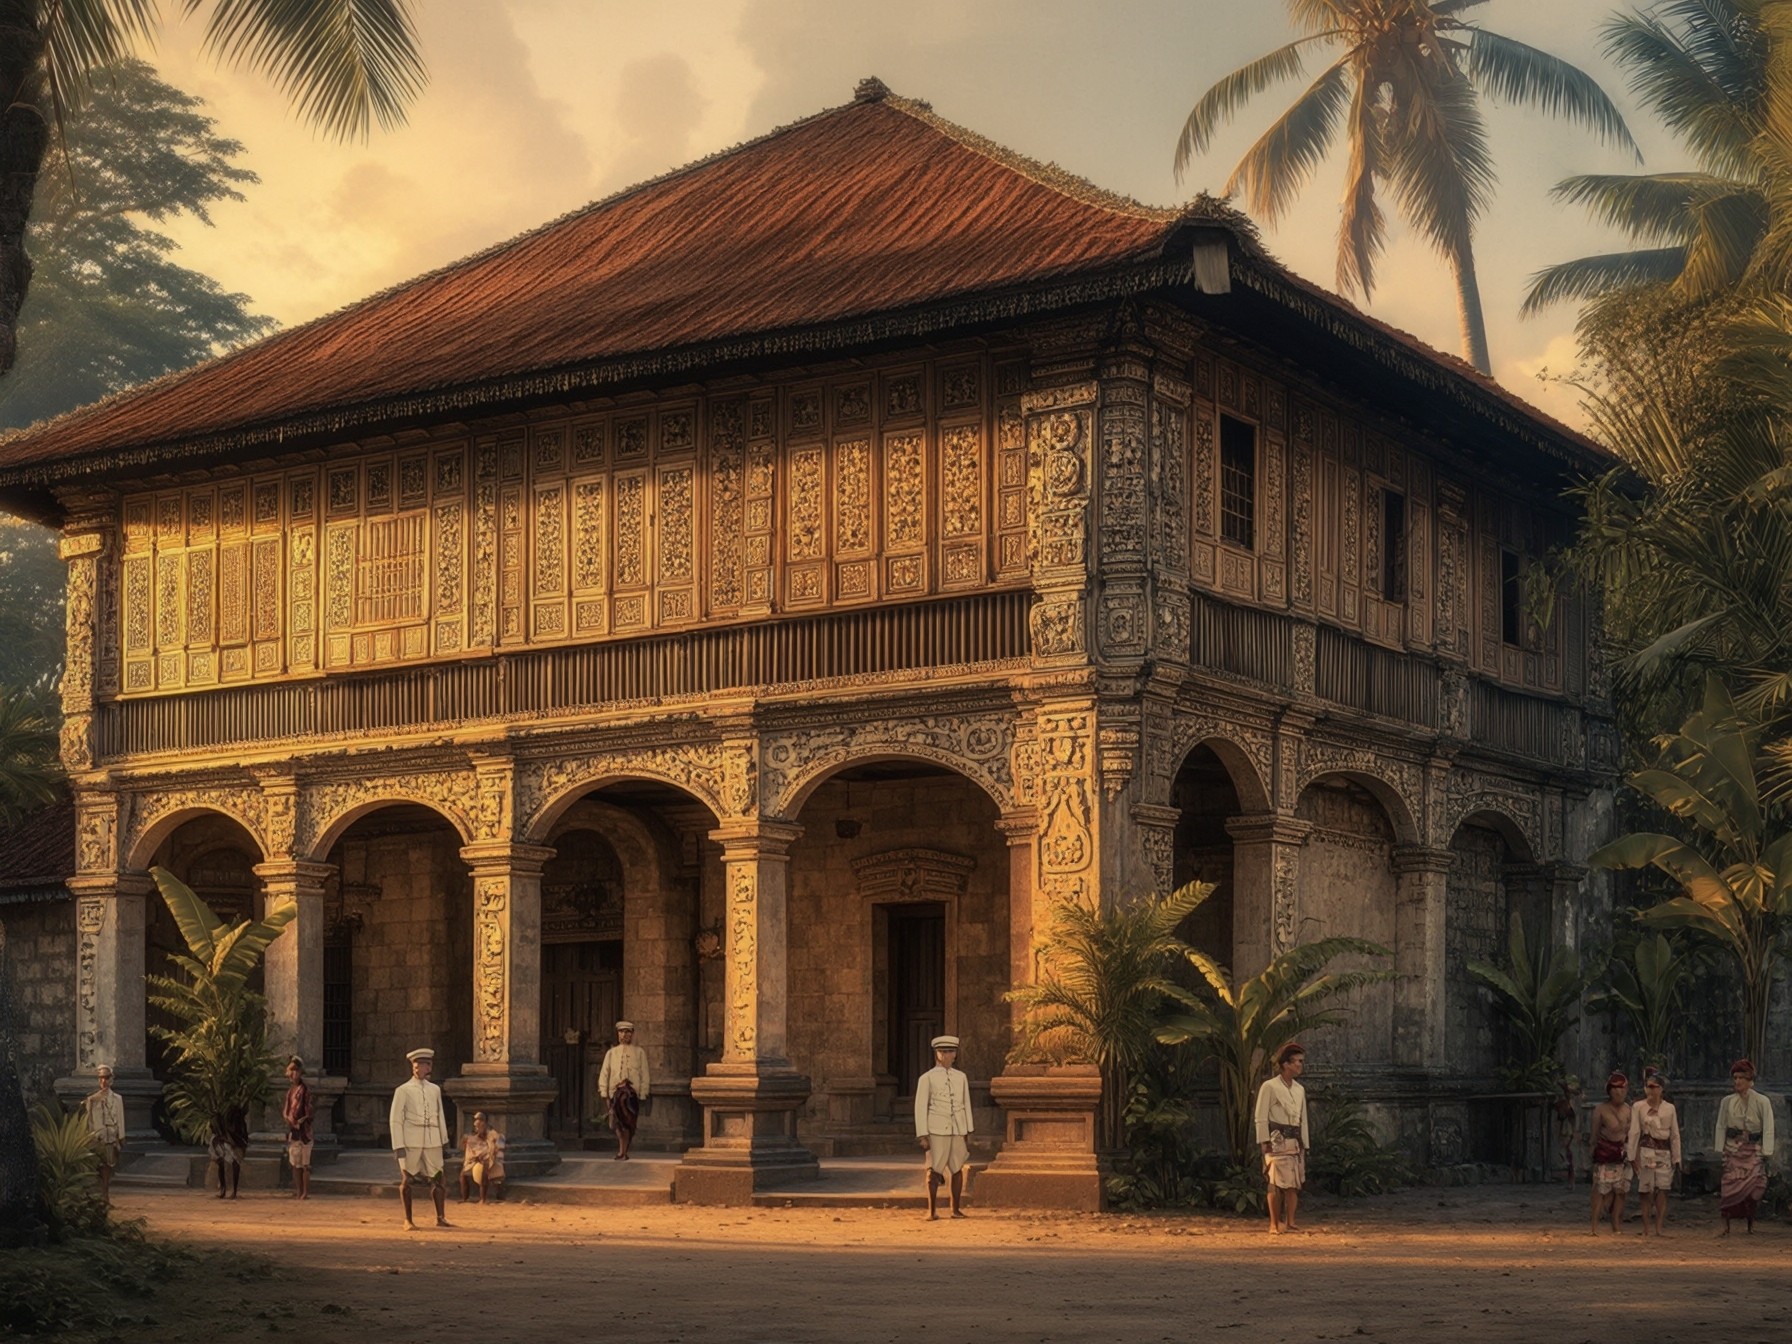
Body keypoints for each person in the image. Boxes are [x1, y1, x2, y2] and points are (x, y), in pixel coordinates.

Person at [390, 1046, 451, 1230]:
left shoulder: (434, 1090)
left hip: (432, 1140)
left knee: (438, 1178)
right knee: (407, 1179)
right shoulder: (403, 1090)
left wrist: (444, 1142)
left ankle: (440, 1217)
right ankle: (408, 1220)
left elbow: (440, 1115)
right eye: (421, 1064)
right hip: (411, 1141)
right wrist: (398, 1145)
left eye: (426, 1064)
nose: (424, 1068)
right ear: (414, 1067)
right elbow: (396, 1119)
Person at [914, 1033, 973, 1220]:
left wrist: (967, 1129)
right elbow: (920, 1107)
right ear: (937, 1054)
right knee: (933, 1170)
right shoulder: (927, 1078)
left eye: (951, 1051)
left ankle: (955, 1209)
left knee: (957, 1169)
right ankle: (931, 1211)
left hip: (957, 1127)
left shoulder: (961, 1077)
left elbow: (966, 1103)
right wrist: (923, 1134)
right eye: (944, 1051)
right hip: (936, 1128)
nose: (948, 1055)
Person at [1715, 1058, 1775, 1235]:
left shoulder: (1762, 1101)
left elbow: (1768, 1126)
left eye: (1741, 1078)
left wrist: (1766, 1151)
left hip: (1753, 1150)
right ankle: (1726, 1225)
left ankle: (1750, 1223)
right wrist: (1721, 1150)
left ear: (1749, 1080)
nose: (1738, 1081)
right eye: (1735, 1078)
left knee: (1754, 1188)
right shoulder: (1727, 1101)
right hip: (1733, 1149)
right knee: (1729, 1186)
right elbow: (1721, 1125)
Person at [1254, 1042, 1309, 1235]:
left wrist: (1304, 1143)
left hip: (1294, 1139)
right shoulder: (1269, 1086)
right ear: (1286, 1064)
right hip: (1276, 1139)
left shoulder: (1299, 1089)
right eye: (1297, 1062)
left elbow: (1303, 1119)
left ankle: (1291, 1221)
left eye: (1301, 1061)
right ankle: (1274, 1223)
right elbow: (1261, 1116)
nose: (1300, 1065)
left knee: (1293, 1183)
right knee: (1275, 1181)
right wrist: (1263, 1141)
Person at [1626, 1068, 1681, 1236]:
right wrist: (1631, 1155)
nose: (1651, 1090)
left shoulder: (1669, 1108)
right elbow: (1634, 1131)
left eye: (1654, 1086)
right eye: (1648, 1086)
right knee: (1646, 1190)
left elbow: (1674, 1134)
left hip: (1663, 1151)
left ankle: (1658, 1227)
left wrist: (1676, 1157)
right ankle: (1646, 1228)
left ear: (1661, 1089)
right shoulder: (1638, 1107)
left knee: (1663, 1189)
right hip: (1646, 1150)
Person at [597, 1021, 651, 1161]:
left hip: (631, 1093)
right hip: (615, 1092)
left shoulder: (639, 1052)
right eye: (621, 1032)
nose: (624, 1035)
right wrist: (604, 1091)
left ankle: (623, 1151)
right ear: (618, 1034)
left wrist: (643, 1092)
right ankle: (622, 1148)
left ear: (632, 1034)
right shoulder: (611, 1053)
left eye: (627, 1032)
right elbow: (605, 1072)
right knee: (615, 1122)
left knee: (628, 1122)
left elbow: (644, 1073)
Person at [1589, 1070, 1632, 1234]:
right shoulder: (1601, 1109)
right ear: (1609, 1090)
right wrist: (1592, 1151)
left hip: (1622, 1155)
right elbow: (1594, 1133)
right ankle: (1594, 1225)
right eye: (1614, 1088)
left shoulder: (1628, 1109)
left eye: (1621, 1088)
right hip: (1604, 1154)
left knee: (1620, 1192)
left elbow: (1631, 1134)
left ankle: (1616, 1224)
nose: (1618, 1092)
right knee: (1599, 1190)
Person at [82, 1064, 125, 1205]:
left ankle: (105, 1197)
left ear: (111, 1079)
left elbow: (120, 1119)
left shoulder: (117, 1098)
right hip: (97, 1137)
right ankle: (97, 1197)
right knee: (96, 1169)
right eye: (100, 1078)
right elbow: (89, 1121)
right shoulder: (92, 1099)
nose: (103, 1081)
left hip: (111, 1137)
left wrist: (121, 1138)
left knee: (108, 1168)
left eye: (106, 1078)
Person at [282, 1056, 314, 1200]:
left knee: (305, 1164)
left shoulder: (305, 1090)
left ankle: (305, 1192)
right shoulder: (291, 1092)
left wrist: (300, 1121)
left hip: (304, 1132)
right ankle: (298, 1190)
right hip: (293, 1132)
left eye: (295, 1071)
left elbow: (309, 1112)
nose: (292, 1074)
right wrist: (289, 1119)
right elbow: (286, 1110)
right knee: (295, 1164)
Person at [458, 1111, 505, 1204]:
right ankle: (465, 1199)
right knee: (463, 1174)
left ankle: (483, 1199)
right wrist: (475, 1156)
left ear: (486, 1123)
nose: (478, 1123)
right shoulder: (471, 1138)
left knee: (485, 1167)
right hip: (474, 1160)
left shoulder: (493, 1134)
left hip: (490, 1160)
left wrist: (488, 1153)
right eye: (476, 1120)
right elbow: (470, 1152)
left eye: (481, 1120)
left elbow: (498, 1148)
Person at [209, 1103, 249, 1200]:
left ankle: (230, 1190)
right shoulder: (225, 1123)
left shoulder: (238, 1124)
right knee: (222, 1163)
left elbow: (240, 1138)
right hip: (229, 1144)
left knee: (233, 1164)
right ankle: (225, 1189)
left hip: (236, 1145)